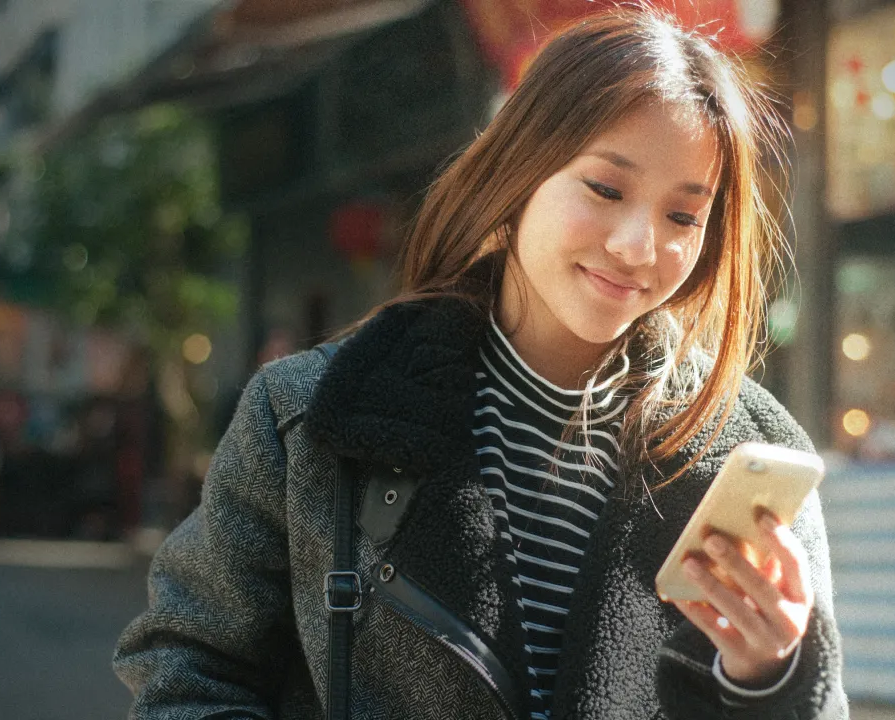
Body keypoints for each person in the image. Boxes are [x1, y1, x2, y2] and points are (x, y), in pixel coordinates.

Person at [114, 9, 847, 720]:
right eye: (605, 188)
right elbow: (190, 665)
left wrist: (770, 679)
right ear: (516, 179)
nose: (638, 245)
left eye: (683, 216)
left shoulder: (746, 451)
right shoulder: (310, 415)